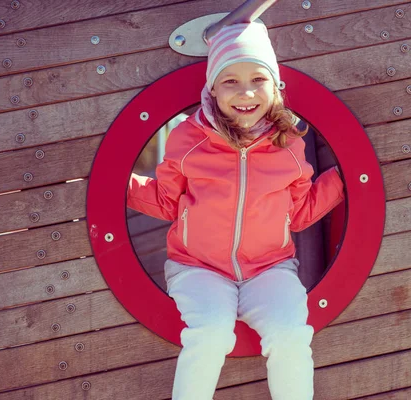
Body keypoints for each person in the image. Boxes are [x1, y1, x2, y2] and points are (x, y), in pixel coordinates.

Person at [127, 21, 344, 400]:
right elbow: (166, 200)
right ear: (212, 87)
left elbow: (302, 211)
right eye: (230, 81)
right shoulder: (189, 140)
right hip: (199, 268)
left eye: (258, 78)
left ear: (275, 85)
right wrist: (117, 184)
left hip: (270, 267)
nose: (245, 92)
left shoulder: (288, 144)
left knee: (291, 333)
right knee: (210, 334)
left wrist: (346, 179)